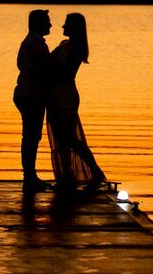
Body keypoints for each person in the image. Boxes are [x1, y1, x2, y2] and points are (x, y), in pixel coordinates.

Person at [46, 12, 107, 192]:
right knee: (61, 139)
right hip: (55, 95)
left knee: (70, 139)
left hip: (65, 96)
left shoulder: (76, 50)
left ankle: (94, 173)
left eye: (66, 24)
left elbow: (63, 72)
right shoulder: (64, 45)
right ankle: (67, 177)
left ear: (74, 27)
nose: (63, 27)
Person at [13, 9, 52, 192]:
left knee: (32, 136)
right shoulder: (33, 44)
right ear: (38, 24)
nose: (50, 25)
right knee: (30, 136)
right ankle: (29, 177)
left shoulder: (33, 42)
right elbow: (33, 69)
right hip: (30, 95)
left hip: (30, 94)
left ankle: (30, 176)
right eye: (47, 21)